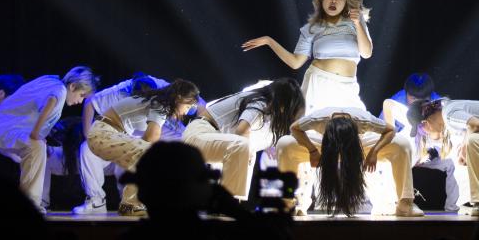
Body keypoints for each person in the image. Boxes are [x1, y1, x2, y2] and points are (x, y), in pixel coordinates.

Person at [241, 0, 372, 113]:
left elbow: (366, 53)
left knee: (356, 123)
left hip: (347, 86)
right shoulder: (311, 28)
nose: (334, 0)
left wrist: (357, 24)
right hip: (318, 84)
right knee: (313, 125)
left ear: (346, 2)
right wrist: (269, 41)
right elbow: (295, 62)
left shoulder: (356, 22)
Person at [0, 67, 96, 210]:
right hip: (3, 129)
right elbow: (51, 102)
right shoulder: (60, 91)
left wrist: (38, 135)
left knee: (37, 149)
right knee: (37, 146)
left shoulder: (51, 80)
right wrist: (36, 135)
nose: (80, 101)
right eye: (81, 95)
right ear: (72, 86)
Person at [85, 79, 205, 217]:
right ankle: (130, 205)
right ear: (178, 98)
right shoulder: (159, 105)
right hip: (102, 134)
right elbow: (151, 138)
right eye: (188, 106)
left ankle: (139, 202)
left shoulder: (157, 102)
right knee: (150, 154)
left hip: (107, 134)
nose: (186, 112)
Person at [276, 106, 423, 217]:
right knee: (284, 144)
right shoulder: (317, 119)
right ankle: (287, 202)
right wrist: (312, 150)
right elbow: (294, 128)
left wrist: (374, 151)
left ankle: (405, 204)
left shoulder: (364, 120)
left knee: (401, 144)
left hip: (359, 144)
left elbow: (391, 130)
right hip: (325, 145)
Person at [184, 78, 305, 200]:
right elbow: (241, 131)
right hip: (199, 133)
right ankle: (228, 202)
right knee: (243, 147)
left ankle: (234, 201)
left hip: (212, 141)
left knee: (248, 151)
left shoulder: (271, 118)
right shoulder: (260, 102)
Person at [72, 73, 169, 214]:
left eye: (146, 98)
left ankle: (134, 203)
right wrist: (88, 136)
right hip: (112, 146)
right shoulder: (118, 94)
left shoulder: (161, 107)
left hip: (133, 155)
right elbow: (90, 102)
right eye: (138, 97)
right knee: (87, 149)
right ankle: (96, 201)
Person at [382, 73, 458, 211]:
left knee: (454, 162)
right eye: (414, 98)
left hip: (432, 151)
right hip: (409, 147)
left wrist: (433, 152)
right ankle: (394, 203)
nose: (418, 102)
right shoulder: (402, 105)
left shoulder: (437, 104)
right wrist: (392, 134)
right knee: (395, 158)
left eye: (423, 99)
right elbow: (387, 107)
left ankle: (453, 207)